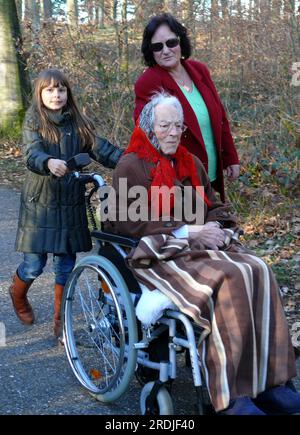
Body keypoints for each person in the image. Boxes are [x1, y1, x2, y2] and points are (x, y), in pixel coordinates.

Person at [105, 92, 300, 415]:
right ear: (149, 127)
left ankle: (270, 385)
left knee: (258, 268)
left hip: (201, 247)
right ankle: (231, 397)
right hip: (162, 253)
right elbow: (126, 222)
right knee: (228, 278)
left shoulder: (190, 162)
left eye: (177, 126)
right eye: (164, 125)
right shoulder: (131, 165)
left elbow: (215, 205)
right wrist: (189, 231)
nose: (171, 132)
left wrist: (217, 226)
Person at [9, 68, 123, 339]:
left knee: (65, 265)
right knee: (34, 265)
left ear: (68, 92)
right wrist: (48, 162)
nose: (56, 95)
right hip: (41, 205)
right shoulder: (34, 120)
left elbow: (102, 148)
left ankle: (61, 324)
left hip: (71, 203)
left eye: (61, 89)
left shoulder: (78, 122)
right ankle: (17, 295)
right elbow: (31, 153)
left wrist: (131, 160)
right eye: (49, 90)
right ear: (40, 93)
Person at [134, 13, 240, 202]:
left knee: (214, 223)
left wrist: (231, 157)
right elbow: (146, 132)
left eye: (171, 42)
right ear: (150, 51)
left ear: (181, 42)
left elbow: (220, 116)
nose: (166, 50)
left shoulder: (199, 70)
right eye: (157, 46)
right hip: (180, 180)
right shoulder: (148, 82)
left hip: (211, 172)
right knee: (197, 229)